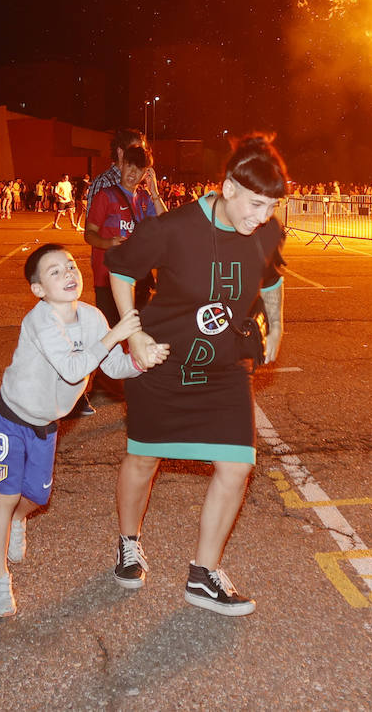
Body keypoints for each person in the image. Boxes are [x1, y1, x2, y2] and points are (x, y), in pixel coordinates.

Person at [105, 133, 288, 615]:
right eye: (254, 204)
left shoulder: (267, 231)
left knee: (237, 464)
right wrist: (133, 332)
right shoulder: (173, 228)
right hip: (163, 361)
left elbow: (272, 278)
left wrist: (279, 325)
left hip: (226, 365)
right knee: (144, 460)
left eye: (270, 206)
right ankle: (128, 542)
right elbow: (121, 269)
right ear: (228, 187)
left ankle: (204, 574)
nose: (262, 217)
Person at [0, 243, 167, 617]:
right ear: (38, 289)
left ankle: (17, 520)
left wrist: (144, 359)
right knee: (6, 496)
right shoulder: (39, 320)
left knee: (36, 498)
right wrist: (118, 333)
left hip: (46, 425)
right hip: (10, 419)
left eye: (71, 266)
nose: (68, 274)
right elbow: (73, 368)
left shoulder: (92, 317)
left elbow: (111, 367)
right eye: (55, 271)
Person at [77, 143, 166, 416]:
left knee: (140, 335)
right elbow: (88, 233)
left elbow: (166, 223)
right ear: (121, 165)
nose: (133, 173)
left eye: (140, 169)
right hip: (108, 279)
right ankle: (81, 393)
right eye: (130, 166)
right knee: (105, 336)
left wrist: (154, 191)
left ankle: (137, 397)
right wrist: (108, 242)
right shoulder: (106, 196)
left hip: (139, 280)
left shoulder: (143, 199)